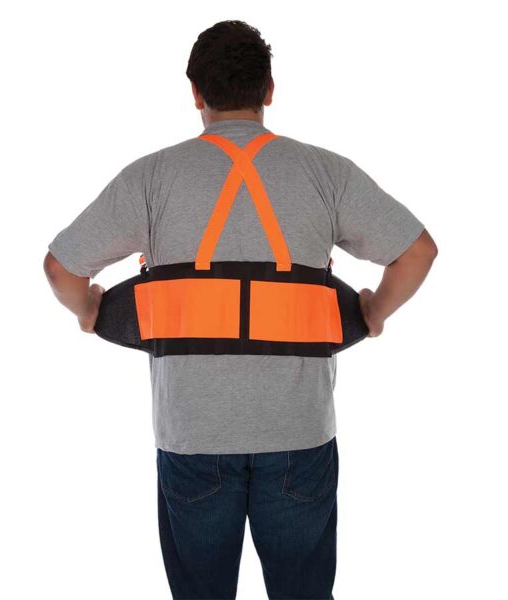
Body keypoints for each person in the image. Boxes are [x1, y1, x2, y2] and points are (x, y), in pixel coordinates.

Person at [43, 19, 438, 600]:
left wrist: (88, 310)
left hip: (193, 438)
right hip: (299, 436)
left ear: (195, 93)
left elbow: (61, 268)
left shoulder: (151, 178)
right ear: (269, 90)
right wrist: (375, 311)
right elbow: (417, 252)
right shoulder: (325, 172)